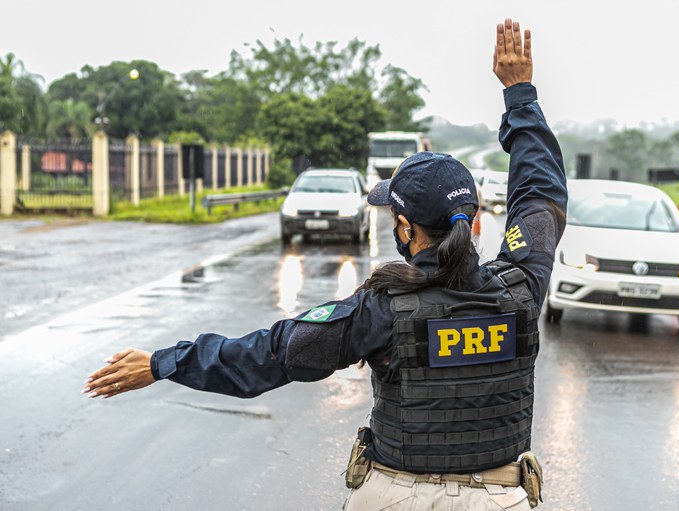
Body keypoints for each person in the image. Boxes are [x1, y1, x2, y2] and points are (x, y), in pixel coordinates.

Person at [83, 18, 566, 510]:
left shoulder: (380, 310)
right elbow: (541, 195)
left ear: (404, 227)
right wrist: (520, 95)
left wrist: (164, 362)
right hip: (502, 498)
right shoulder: (521, 288)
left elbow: (269, 356)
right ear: (474, 217)